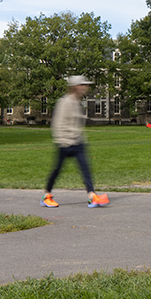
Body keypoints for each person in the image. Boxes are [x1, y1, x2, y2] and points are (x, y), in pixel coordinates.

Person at [41, 75, 109, 209]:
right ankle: (46, 195)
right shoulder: (64, 102)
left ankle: (92, 196)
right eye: (82, 85)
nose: (85, 88)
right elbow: (57, 124)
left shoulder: (77, 102)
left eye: (85, 85)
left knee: (85, 169)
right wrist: (62, 140)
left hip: (78, 143)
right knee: (57, 170)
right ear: (74, 87)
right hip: (65, 143)